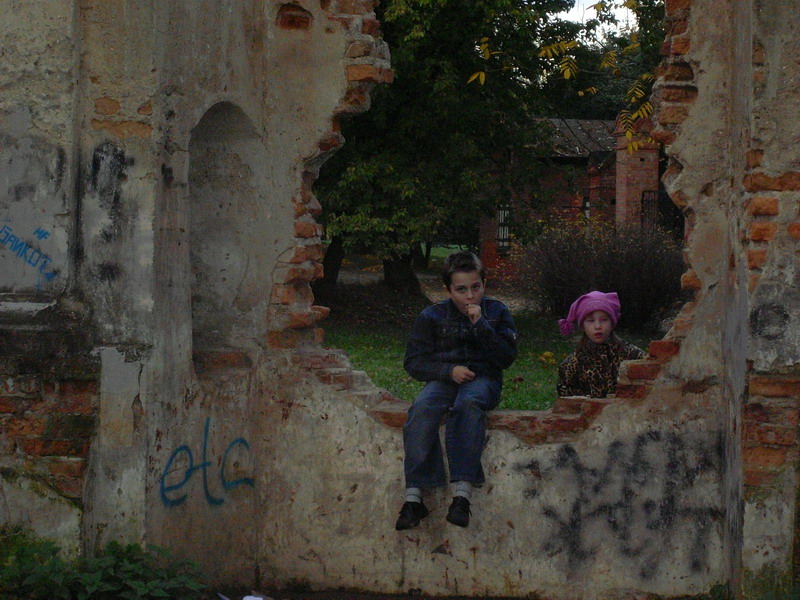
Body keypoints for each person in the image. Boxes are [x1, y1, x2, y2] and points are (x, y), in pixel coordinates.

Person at [395, 251, 518, 530]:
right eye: (461, 290)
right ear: (448, 290)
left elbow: (506, 358)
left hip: (483, 379)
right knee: (422, 408)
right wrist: (448, 371)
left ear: (484, 284)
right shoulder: (431, 316)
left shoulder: (497, 312)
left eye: (476, 287)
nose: (470, 296)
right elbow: (413, 362)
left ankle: (462, 494)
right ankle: (414, 496)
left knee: (468, 404)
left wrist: (481, 326)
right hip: (444, 379)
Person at [556, 290, 645, 398]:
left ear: (612, 323)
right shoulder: (572, 365)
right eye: (591, 320)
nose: (598, 326)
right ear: (582, 326)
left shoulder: (633, 356)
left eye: (604, 320)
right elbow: (567, 401)